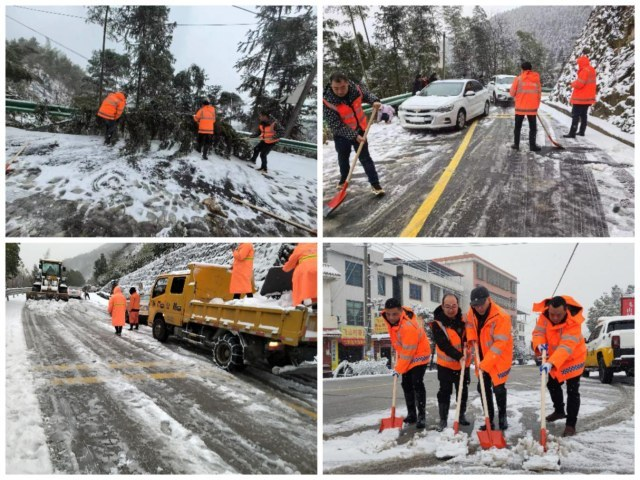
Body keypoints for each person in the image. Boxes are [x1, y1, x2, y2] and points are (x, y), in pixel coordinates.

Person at [531, 295, 587, 437]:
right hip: (555, 357)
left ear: (566, 310)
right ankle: (559, 411)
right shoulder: (544, 317)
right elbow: (538, 332)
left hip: (573, 358)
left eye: (559, 315)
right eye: (552, 314)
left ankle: (570, 425)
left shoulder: (573, 322)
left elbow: (566, 347)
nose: (555, 318)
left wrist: (551, 363)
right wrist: (539, 344)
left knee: (572, 391)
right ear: (548, 310)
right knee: (552, 384)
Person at [323, 72, 384, 195]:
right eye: (336, 88)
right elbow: (336, 125)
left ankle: (375, 184)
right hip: (342, 134)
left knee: (365, 158)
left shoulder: (356, 90)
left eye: (343, 87)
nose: (340, 91)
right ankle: (343, 179)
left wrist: (374, 101)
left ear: (347, 83)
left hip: (360, 129)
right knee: (343, 158)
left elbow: (367, 95)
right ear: (331, 85)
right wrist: (353, 136)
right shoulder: (327, 101)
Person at [465, 286, 513, 430]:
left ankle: (503, 416)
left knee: (498, 388)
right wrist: (471, 338)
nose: (479, 308)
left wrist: (486, 364)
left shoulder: (501, 316)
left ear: (488, 299)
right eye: (475, 305)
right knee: (483, 389)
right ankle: (489, 419)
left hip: (499, 357)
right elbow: (469, 326)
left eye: (481, 304)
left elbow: (500, 343)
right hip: (481, 356)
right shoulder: (471, 312)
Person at [382, 298, 431, 429]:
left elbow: (409, 351)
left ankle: (421, 416)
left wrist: (398, 368)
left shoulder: (408, 326)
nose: (391, 317)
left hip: (420, 354)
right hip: (407, 353)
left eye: (394, 314)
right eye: (388, 314)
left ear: (401, 312)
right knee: (406, 383)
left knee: (416, 382)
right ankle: (412, 414)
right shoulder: (390, 321)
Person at [431, 292, 471, 432]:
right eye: (447, 306)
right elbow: (444, 345)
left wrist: (468, 347)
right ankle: (443, 419)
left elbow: (469, 336)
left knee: (463, 391)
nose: (451, 309)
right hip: (446, 365)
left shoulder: (464, 320)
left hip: (463, 364)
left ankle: (461, 415)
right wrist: (458, 355)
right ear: (442, 306)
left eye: (453, 306)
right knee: (444, 392)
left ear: (457, 305)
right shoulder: (437, 324)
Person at [509, 61, 542, 152]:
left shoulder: (518, 79)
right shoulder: (536, 79)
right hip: (532, 108)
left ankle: (516, 145)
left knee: (518, 127)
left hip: (520, 109)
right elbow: (539, 94)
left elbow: (512, 93)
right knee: (533, 128)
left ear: (522, 69)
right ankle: (532, 146)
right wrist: (536, 106)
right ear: (531, 69)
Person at [563, 55, 597, 138]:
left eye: (579, 63)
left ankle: (572, 133)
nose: (578, 65)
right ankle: (582, 131)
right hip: (588, 98)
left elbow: (579, 84)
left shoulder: (584, 71)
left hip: (580, 98)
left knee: (575, 115)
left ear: (582, 63)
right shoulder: (591, 69)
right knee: (583, 115)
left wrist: (572, 84)